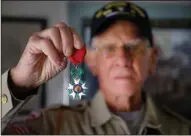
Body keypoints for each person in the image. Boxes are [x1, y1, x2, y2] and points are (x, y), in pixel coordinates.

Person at [1, 1, 191, 135]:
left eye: (134, 47)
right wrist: (17, 83)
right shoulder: (52, 125)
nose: (122, 58)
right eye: (109, 48)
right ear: (91, 61)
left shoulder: (182, 130)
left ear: (152, 60)